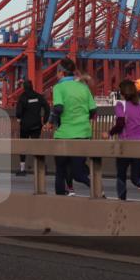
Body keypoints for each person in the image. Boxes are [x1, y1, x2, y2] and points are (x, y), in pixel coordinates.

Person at [49, 58, 97, 197]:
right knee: (78, 172)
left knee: (60, 170)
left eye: (57, 72)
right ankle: (97, 188)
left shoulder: (58, 87)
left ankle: (60, 200)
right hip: (83, 133)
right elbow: (93, 111)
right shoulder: (83, 86)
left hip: (64, 134)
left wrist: (50, 122)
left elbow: (58, 108)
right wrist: (82, 121)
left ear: (61, 73)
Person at [106, 79, 140, 202]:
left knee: (121, 175)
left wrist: (110, 133)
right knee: (136, 177)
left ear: (122, 92)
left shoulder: (120, 105)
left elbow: (120, 123)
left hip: (126, 144)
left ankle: (122, 201)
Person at [15, 80, 50, 177]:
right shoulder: (38, 96)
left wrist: (19, 118)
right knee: (36, 146)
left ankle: (22, 169)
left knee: (23, 147)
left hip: (25, 126)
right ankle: (40, 168)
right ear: (32, 86)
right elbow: (47, 107)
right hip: (36, 125)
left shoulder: (22, 97)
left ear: (24, 87)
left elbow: (18, 112)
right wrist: (45, 120)